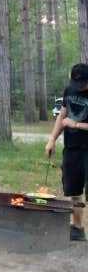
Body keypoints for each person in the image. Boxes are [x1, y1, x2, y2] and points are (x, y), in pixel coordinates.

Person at [46, 62, 88, 241]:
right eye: (76, 83)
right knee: (74, 190)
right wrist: (52, 139)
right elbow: (62, 116)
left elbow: (69, 121)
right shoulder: (69, 91)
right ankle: (77, 228)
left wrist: (76, 124)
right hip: (71, 149)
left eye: (82, 83)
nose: (79, 87)